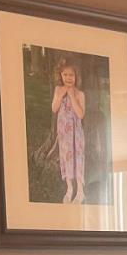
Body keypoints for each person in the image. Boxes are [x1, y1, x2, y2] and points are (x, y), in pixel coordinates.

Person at [51, 60, 88, 204]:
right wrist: (61, 95)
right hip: (64, 133)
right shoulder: (58, 90)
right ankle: (69, 188)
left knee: (77, 158)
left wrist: (72, 96)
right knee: (66, 158)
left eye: (71, 75)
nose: (68, 78)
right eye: (65, 74)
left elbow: (80, 114)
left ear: (76, 76)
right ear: (61, 75)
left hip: (75, 133)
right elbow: (54, 108)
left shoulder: (80, 94)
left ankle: (80, 191)